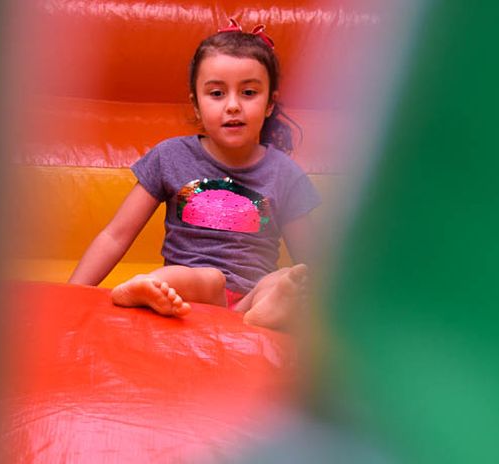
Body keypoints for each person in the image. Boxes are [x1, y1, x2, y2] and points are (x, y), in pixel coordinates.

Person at [68, 19, 320, 330]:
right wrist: (72, 295)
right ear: (196, 105)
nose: (233, 106)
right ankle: (148, 287)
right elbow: (115, 235)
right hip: (192, 296)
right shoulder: (171, 157)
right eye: (217, 93)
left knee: (282, 279)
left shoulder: (285, 174)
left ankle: (265, 311)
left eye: (248, 92)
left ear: (269, 103)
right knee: (207, 278)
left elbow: (312, 261)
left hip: (252, 298)